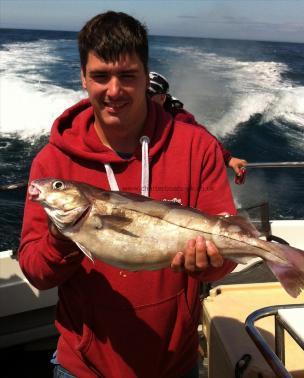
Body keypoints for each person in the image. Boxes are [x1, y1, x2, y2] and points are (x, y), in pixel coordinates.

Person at [18, 11, 237, 378]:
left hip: (175, 362)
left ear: (145, 76)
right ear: (83, 79)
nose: (114, 91)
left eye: (127, 76)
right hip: (84, 367)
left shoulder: (198, 147)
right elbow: (37, 272)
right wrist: (61, 237)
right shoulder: (53, 163)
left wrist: (210, 264)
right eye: (101, 77)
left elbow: (224, 255)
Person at [148, 71, 247, 177]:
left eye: (148, 94)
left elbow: (204, 137)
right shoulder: (132, 113)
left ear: (162, 98)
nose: (141, 98)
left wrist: (228, 159)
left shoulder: (179, 118)